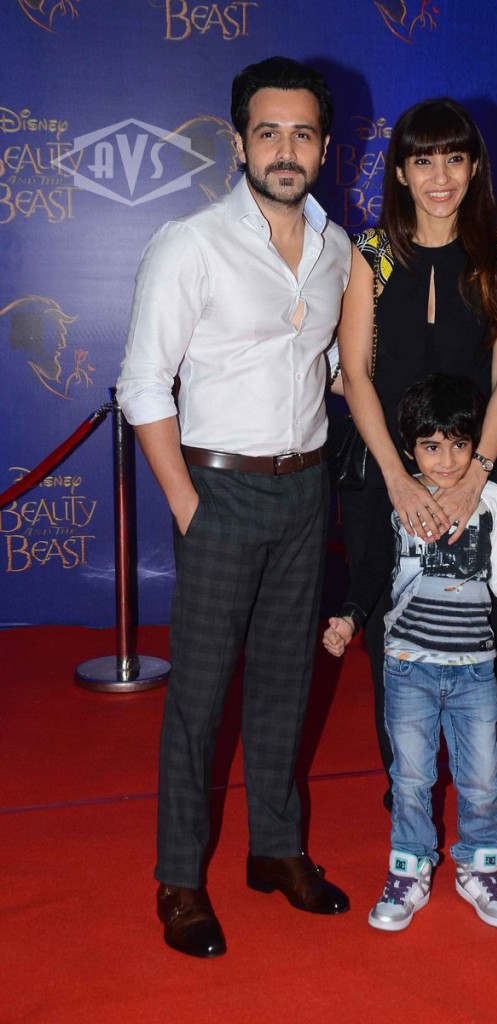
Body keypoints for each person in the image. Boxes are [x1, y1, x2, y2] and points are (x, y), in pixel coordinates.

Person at [116, 56, 352, 959]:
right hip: (218, 489)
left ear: (324, 147)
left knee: (288, 683)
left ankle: (275, 850)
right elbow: (144, 384)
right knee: (201, 697)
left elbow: (335, 368)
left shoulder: (337, 249)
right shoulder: (191, 242)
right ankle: (179, 879)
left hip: (307, 488)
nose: (286, 151)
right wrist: (187, 505)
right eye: (268, 132)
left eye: (302, 134)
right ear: (239, 142)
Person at [335, 97, 497, 895]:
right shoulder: (371, 254)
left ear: (475, 167)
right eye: (423, 159)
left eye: (455, 157)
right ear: (401, 171)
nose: (440, 176)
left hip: (477, 482)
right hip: (385, 483)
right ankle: (408, 813)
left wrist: (474, 478)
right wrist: (399, 479)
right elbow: (355, 374)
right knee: (393, 652)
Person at [324, 374, 497, 931]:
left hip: (475, 670)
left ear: (476, 446)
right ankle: (408, 869)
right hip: (408, 666)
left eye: (459, 445)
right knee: (409, 778)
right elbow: (373, 570)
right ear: (410, 451)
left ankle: (480, 868)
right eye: (432, 447)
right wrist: (348, 618)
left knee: (482, 781)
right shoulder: (399, 499)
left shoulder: (490, 499)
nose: (447, 460)